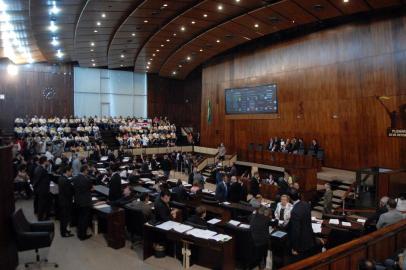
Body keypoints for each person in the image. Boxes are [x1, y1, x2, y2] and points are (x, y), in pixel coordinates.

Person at [288, 189, 317, 262]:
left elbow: (296, 231)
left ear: (290, 199)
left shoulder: (295, 211)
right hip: (310, 238)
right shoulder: (306, 204)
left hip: (301, 244)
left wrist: (295, 248)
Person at [73, 165, 93, 240]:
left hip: (78, 200)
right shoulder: (86, 179)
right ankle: (83, 235)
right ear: (84, 170)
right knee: (84, 219)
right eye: (88, 170)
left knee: (80, 217)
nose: (88, 171)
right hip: (85, 202)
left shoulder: (76, 177)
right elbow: (91, 188)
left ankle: (79, 233)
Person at [58, 165, 74, 237]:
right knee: (65, 218)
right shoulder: (66, 180)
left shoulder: (61, 178)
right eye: (71, 171)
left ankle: (64, 230)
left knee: (63, 218)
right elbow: (68, 193)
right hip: (66, 202)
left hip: (62, 201)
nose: (72, 173)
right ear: (67, 171)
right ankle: (64, 233)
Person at [33, 156, 51, 221]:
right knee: (41, 204)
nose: (48, 162)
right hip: (42, 190)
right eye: (47, 161)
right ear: (44, 161)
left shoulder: (40, 168)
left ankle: (44, 216)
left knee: (44, 204)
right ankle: (40, 218)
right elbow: (37, 180)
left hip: (43, 190)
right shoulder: (40, 169)